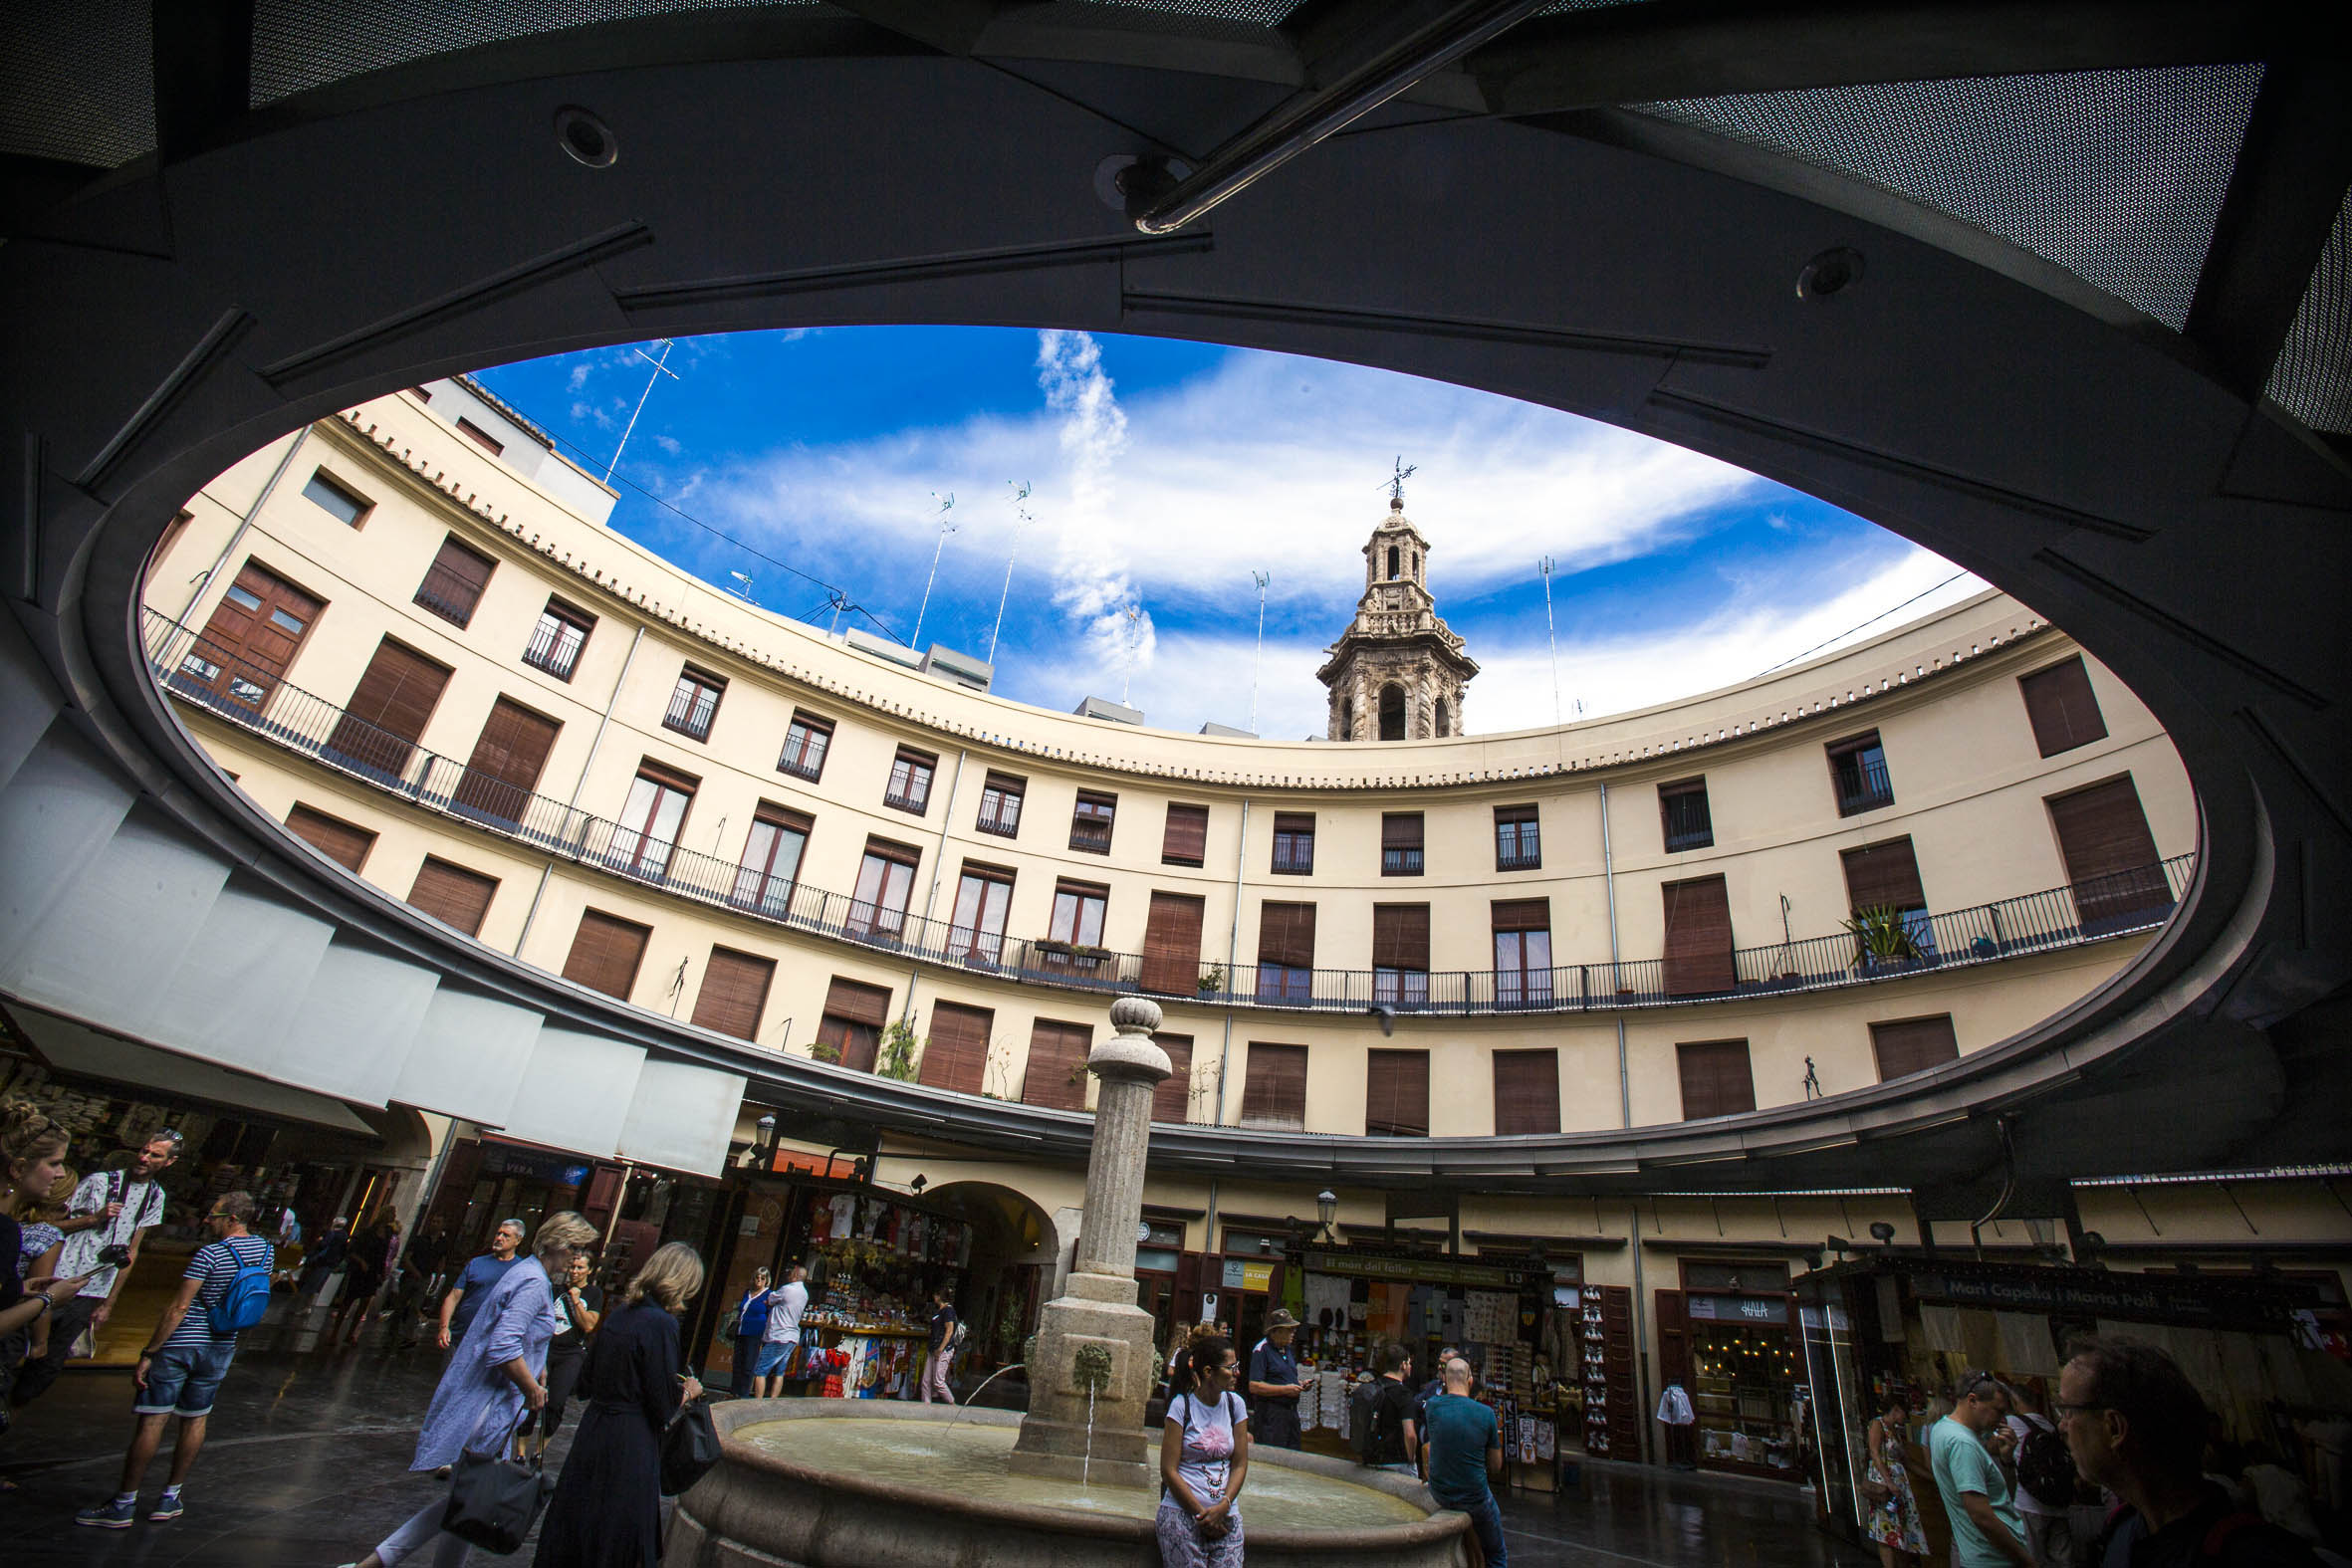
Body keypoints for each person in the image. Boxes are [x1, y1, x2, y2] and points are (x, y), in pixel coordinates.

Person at [345, 1210, 598, 1568]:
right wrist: (532, 1387)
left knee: (469, 1499)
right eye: (576, 1248)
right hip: (488, 1405)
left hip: (485, 1402)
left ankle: (380, 1563)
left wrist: (534, 1368)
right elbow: (504, 1346)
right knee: (467, 1499)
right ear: (559, 1244)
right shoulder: (532, 1282)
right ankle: (375, 1562)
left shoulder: (525, 1274)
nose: (577, 1258)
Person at [74, 1191, 273, 1528]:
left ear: (233, 1220)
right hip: (222, 1345)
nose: (208, 1220)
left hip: (183, 1342)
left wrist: (150, 1352)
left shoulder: (210, 1254)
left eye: (215, 1215)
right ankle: (170, 1496)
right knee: (196, 1418)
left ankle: (124, 1502)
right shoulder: (266, 1252)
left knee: (153, 1419)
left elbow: (179, 1307)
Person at [2057, 1336, 2322, 1568]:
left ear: (2115, 1428)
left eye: (2069, 1411)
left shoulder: (2250, 1556)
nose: (2062, 1425)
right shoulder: (2122, 1531)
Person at [533, 1241, 707, 1567]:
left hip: (594, 1429)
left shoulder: (621, 1314)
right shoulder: (663, 1325)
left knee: (577, 1519)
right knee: (617, 1528)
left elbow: (584, 1381)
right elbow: (662, 1403)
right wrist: (689, 1392)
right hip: (630, 1439)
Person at [15, 1126, 182, 1406]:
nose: (144, 1158)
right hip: (56, 1277)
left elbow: (132, 1250)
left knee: (50, 1362)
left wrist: (109, 1302)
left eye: (155, 1155)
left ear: (168, 1162)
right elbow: (50, 1226)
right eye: (143, 1151)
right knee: (19, 1341)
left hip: (92, 1289)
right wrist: (93, 1219)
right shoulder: (99, 1182)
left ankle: (14, 1409)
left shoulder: (155, 1196)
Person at [0, 1105, 98, 1424]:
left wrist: (21, 1287)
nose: (59, 1174)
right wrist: (50, 1299)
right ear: (18, 1168)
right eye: (54, 1163)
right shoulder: (6, 1232)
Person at [1158, 1332, 1251, 1568]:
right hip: (1182, 1516)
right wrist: (1202, 1514)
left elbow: (1240, 1463)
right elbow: (1168, 1470)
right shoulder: (1181, 1406)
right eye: (1230, 1367)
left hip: (1226, 1518)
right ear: (1209, 1371)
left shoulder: (1235, 1404)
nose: (1236, 1373)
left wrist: (1224, 1506)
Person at [1931, 1370, 2032, 1568]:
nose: (2003, 1421)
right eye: (1998, 1411)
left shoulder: (1943, 1429)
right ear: (1972, 1400)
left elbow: (2001, 1498)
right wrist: (2025, 1560)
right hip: (1994, 1559)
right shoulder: (1962, 1444)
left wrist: (2006, 1459)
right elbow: (1981, 1515)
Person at [1422, 1356, 1506, 1568]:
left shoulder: (1432, 1406)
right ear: (1470, 1380)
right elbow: (1496, 1466)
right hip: (1474, 1496)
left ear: (1444, 1380)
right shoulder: (1486, 1413)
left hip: (1440, 1493)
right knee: (1496, 1554)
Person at [535, 1247, 603, 1457]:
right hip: (546, 1348)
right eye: (572, 1267)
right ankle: (519, 1451)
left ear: (589, 1270)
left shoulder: (594, 1294)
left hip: (571, 1353)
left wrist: (575, 1300)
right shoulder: (555, 1289)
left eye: (580, 1268)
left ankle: (539, 1451)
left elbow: (589, 1326)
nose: (574, 1271)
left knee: (555, 1403)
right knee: (532, 1400)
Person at [2004, 1381, 2078, 1568]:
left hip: (2029, 1504)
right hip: (2057, 1503)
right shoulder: (2052, 1426)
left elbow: (1991, 1447)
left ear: (2014, 1402)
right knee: (2063, 1560)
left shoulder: (2012, 1423)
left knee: (2032, 1560)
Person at [437, 1218, 526, 1350]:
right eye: (498, 1233)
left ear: (517, 1240)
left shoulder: (522, 1269)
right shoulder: (476, 1263)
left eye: (506, 1235)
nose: (499, 1238)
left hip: (492, 1343)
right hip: (460, 1337)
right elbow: (453, 1297)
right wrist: (444, 1328)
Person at [1865, 1389, 1929, 1568]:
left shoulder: (1895, 1432)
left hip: (1898, 1486)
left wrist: (1932, 1477)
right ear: (1895, 1410)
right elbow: (1875, 1453)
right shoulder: (1877, 1425)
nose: (1905, 1416)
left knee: (1901, 1526)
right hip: (1886, 1486)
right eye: (1903, 1411)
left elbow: (1907, 1461)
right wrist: (1889, 1481)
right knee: (1886, 1528)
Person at [331, 1216, 399, 1349]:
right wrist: (361, 1261)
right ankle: (334, 1333)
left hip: (373, 1271)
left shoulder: (387, 1234)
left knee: (365, 1301)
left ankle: (351, 1332)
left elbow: (385, 1255)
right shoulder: (367, 1233)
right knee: (348, 1300)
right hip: (360, 1270)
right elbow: (353, 1250)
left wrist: (382, 1272)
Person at [1245, 1306, 1303, 1449]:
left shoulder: (1287, 1349)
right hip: (1271, 1414)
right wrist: (1286, 1390)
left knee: (1293, 1454)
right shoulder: (1262, 1350)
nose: (1293, 1333)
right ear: (1276, 1331)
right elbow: (1254, 1386)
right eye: (1289, 1329)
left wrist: (1299, 1384)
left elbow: (1284, 1377)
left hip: (1290, 1413)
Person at [390, 1218, 452, 1349]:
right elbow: (407, 1257)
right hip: (410, 1276)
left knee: (415, 1307)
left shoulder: (443, 1244)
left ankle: (408, 1335)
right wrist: (414, 1270)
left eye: (438, 1222)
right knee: (400, 1305)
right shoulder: (419, 1240)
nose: (435, 1224)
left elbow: (442, 1261)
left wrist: (437, 1278)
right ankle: (393, 1332)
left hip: (425, 1277)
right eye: (434, 1221)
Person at [1362, 1340, 1421, 1476]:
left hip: (1371, 1458)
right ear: (1403, 1365)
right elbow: (1410, 1434)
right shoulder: (1403, 1394)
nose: (1410, 1366)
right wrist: (1411, 1459)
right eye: (1409, 1363)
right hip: (1396, 1461)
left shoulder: (1372, 1387)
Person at [758, 1262, 809, 1398]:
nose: (789, 1274)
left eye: (792, 1272)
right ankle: (773, 1402)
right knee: (780, 1372)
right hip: (791, 1337)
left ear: (796, 1275)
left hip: (779, 1334)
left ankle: (756, 1404)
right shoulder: (804, 1293)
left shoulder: (787, 1289)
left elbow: (770, 1299)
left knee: (760, 1371)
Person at [729, 1266, 771, 1397]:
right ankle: (734, 1392)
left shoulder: (768, 1294)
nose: (759, 1280)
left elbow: (769, 1315)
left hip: (754, 1334)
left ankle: (743, 1394)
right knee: (737, 1364)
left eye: (762, 1278)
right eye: (757, 1277)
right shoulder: (747, 1292)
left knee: (748, 1365)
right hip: (741, 1332)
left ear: (766, 1280)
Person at [920, 1284, 957, 1405]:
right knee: (926, 1379)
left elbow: (949, 1330)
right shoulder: (940, 1310)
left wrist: (940, 1349)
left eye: (935, 1295)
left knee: (938, 1381)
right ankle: (926, 1403)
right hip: (933, 1348)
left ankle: (951, 1402)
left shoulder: (948, 1310)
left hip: (943, 1349)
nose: (934, 1297)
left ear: (939, 1296)